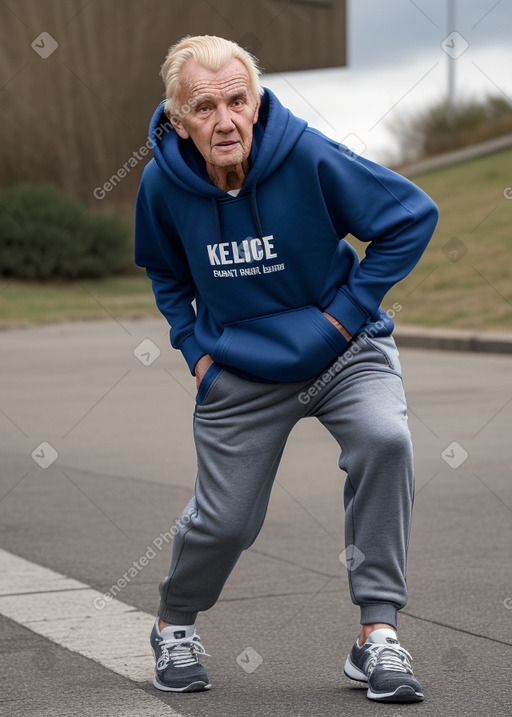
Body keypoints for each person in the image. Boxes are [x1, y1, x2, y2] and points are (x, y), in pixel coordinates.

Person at [135, 34, 438, 702]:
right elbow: (162, 267)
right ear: (179, 120)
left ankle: (377, 636)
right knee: (227, 521)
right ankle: (174, 624)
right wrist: (195, 351)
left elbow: (411, 215)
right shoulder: (161, 183)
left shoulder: (306, 155)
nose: (224, 120)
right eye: (204, 107)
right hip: (239, 367)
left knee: (385, 440)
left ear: (258, 99)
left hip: (343, 349)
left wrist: (348, 312)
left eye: (237, 100)